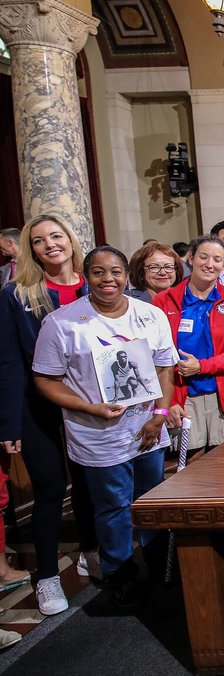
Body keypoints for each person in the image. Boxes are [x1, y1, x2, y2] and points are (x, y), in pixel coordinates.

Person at [32, 246, 177, 606]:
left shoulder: (150, 315)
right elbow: (45, 380)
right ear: (87, 276)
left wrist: (159, 415)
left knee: (152, 501)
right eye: (98, 273)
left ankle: (160, 564)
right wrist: (89, 407)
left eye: (115, 272)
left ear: (127, 275)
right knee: (112, 505)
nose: (108, 280)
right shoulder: (63, 323)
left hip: (148, 429)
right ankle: (120, 572)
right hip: (98, 434)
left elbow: (164, 368)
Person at [0, 215, 98, 614]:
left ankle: (92, 553)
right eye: (39, 241)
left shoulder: (94, 284)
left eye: (56, 236)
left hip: (91, 403)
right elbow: (8, 361)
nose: (50, 245)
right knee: (51, 488)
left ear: (70, 240)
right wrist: (8, 421)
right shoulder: (16, 294)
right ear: (31, 249)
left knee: (91, 482)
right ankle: (46, 577)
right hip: (35, 405)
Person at [152, 237, 224, 453]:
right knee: (188, 468)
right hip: (181, 396)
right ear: (191, 258)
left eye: (217, 260)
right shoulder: (164, 301)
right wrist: (166, 401)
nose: (209, 264)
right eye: (203, 257)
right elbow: (154, 356)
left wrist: (202, 366)